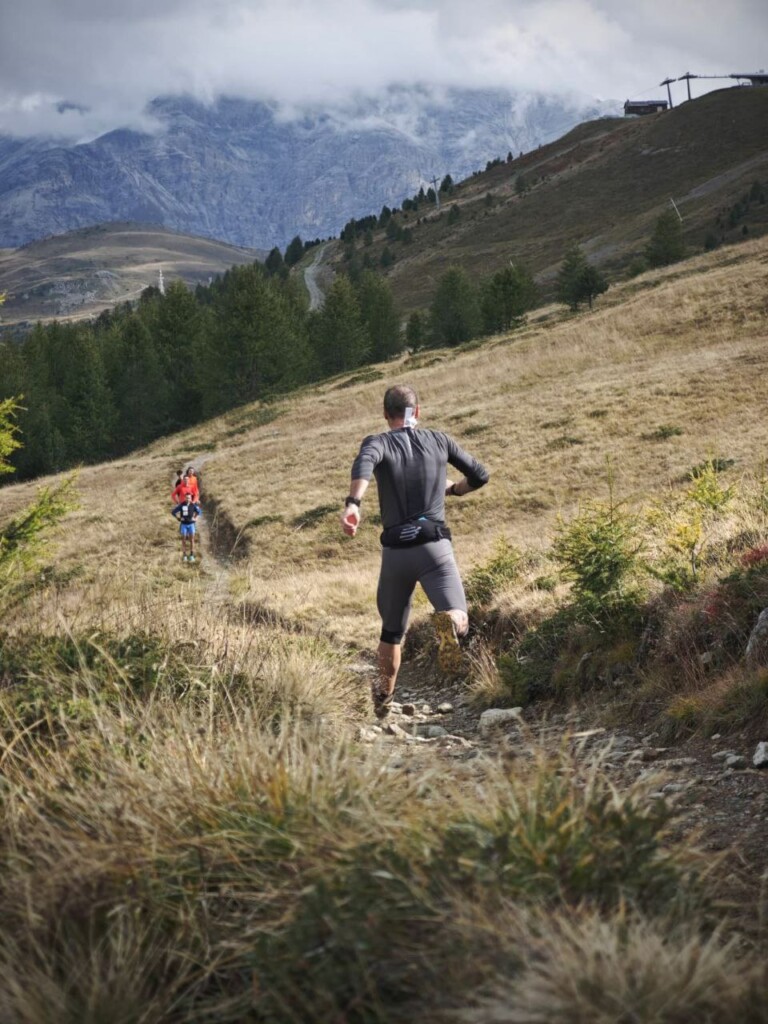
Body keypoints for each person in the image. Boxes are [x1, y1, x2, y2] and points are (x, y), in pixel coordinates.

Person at [341, 384, 489, 718]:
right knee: (458, 614)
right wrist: (454, 490)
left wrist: (353, 504)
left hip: (396, 553)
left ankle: (383, 699)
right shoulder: (439, 440)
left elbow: (364, 465)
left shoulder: (377, 443)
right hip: (433, 547)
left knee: (392, 633)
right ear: (417, 411)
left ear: (385, 414)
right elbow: (480, 475)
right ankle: (450, 621)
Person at [172, 491, 201, 562]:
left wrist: (195, 518)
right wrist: (178, 518)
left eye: (189, 498)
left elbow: (199, 512)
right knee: (183, 540)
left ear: (191, 498)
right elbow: (173, 512)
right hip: (184, 525)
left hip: (191, 524)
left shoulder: (193, 505)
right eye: (187, 498)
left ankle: (191, 555)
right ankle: (184, 555)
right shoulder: (181, 505)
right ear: (185, 498)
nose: (188, 499)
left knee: (192, 540)